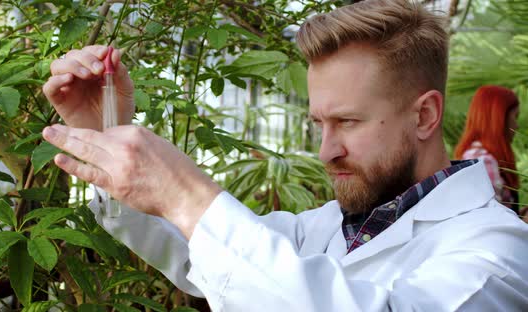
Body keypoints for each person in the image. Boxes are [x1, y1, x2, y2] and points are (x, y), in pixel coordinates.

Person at [42, 0, 528, 310]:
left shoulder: (498, 254)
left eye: (348, 122)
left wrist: (189, 195)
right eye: (319, 123)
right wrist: (106, 128)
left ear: (424, 116)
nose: (326, 150)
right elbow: (211, 257)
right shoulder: (323, 228)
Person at [454, 85, 521, 213]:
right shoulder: (483, 161)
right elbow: (491, 221)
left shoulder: (480, 157)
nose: (516, 126)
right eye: (515, 117)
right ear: (499, 118)